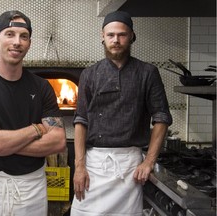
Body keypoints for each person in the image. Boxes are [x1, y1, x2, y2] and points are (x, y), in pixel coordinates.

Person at [0, 10, 66, 216]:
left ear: (29, 44)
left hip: (34, 187)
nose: (17, 42)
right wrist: (36, 129)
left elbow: (58, 142)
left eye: (23, 36)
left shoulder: (42, 87)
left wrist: (2, 143)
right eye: (10, 34)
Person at [70, 11, 172, 216]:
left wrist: (149, 161)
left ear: (132, 36)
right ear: (102, 36)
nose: (116, 40)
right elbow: (81, 121)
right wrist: (79, 166)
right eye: (111, 35)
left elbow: (161, 118)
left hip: (128, 166)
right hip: (94, 165)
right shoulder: (89, 74)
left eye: (122, 35)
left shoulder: (147, 73)